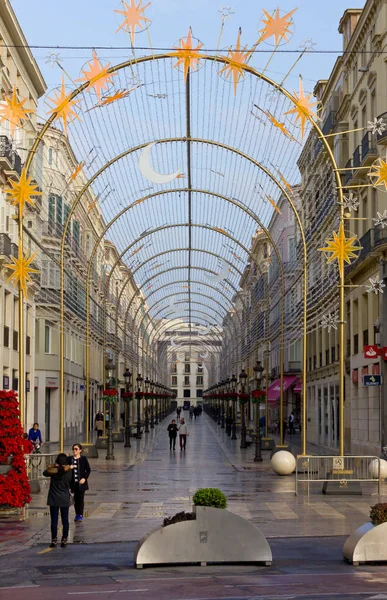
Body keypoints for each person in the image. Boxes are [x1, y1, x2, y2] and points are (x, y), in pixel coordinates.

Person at [43, 453, 73, 548]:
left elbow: (45, 472)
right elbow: (71, 482)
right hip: (64, 497)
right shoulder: (69, 472)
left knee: (54, 521)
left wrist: (54, 466)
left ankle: (54, 540)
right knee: (65, 520)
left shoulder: (53, 471)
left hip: (53, 498)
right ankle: (64, 540)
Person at [68, 444, 91, 522]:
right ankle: (77, 514)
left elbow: (88, 470)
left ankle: (80, 514)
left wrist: (84, 478)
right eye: (73, 449)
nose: (74, 450)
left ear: (80, 450)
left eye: (76, 449)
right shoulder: (69, 459)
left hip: (81, 483)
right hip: (73, 483)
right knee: (75, 499)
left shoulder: (83, 459)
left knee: (80, 499)